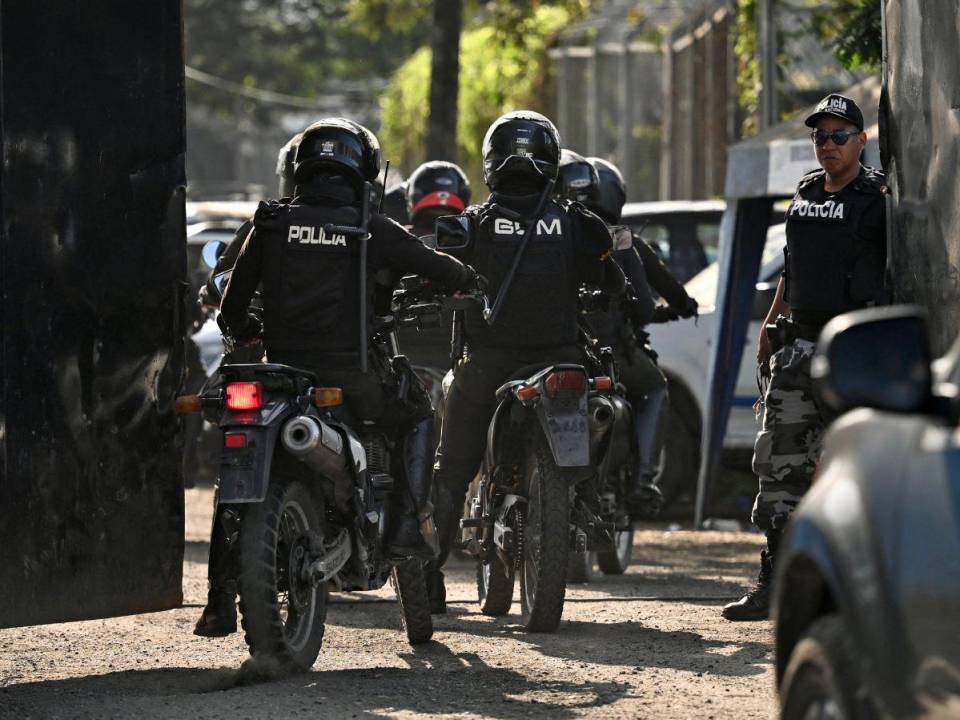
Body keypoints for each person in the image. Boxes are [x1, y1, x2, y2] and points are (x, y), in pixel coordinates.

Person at [194, 118, 480, 636]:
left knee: (233, 470)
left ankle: (217, 600)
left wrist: (248, 329)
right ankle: (403, 535)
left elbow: (231, 305)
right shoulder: (372, 226)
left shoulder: (270, 222)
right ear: (361, 171)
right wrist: (468, 279)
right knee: (417, 417)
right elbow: (434, 265)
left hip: (279, 376)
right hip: (353, 377)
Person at [425, 111, 627, 613]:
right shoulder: (580, 225)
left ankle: (428, 579)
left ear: (492, 164)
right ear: (552, 161)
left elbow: (438, 278)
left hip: (487, 367)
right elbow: (613, 285)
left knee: (451, 470)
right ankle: (589, 503)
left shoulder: (471, 226)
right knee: (608, 408)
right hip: (561, 363)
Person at [723, 93, 887, 621]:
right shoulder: (805, 195)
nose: (828, 145)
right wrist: (772, 323)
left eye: (840, 136)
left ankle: (858, 588)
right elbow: (792, 270)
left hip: (853, 352)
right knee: (780, 468)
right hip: (799, 347)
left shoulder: (877, 198)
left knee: (857, 469)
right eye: (820, 136)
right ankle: (776, 582)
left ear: (861, 141)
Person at [571, 154, 698, 515]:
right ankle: (643, 481)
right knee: (656, 387)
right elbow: (645, 305)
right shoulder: (623, 241)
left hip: (562, 351)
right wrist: (678, 308)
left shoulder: (558, 233)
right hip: (613, 354)